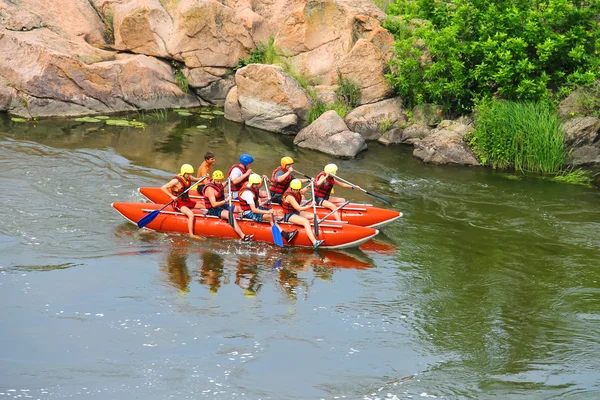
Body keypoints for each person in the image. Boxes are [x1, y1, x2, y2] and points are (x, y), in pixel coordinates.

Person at [238, 174, 298, 243]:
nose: (258, 185)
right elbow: (253, 210)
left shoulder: (250, 184)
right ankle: (285, 235)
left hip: (255, 208)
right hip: (249, 212)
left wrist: (263, 180)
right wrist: (267, 212)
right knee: (269, 216)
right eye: (256, 184)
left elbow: (257, 187)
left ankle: (279, 228)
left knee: (272, 213)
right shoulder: (248, 193)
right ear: (252, 183)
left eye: (258, 183)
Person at [202, 170, 254, 241]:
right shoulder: (209, 189)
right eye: (218, 181)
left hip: (221, 205)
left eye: (221, 181)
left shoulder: (218, 184)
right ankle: (243, 236)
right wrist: (226, 200)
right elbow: (214, 204)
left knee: (239, 209)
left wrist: (227, 181)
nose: (219, 182)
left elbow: (220, 187)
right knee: (230, 215)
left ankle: (252, 217)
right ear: (213, 180)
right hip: (213, 209)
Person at [160, 164, 205, 238]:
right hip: (179, 203)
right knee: (191, 214)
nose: (190, 175)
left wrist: (203, 177)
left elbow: (196, 180)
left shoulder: (189, 177)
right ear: (184, 173)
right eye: (188, 174)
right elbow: (163, 188)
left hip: (187, 201)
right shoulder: (175, 181)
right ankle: (191, 235)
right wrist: (172, 196)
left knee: (202, 206)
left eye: (190, 174)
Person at [282, 179, 324, 248]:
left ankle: (319, 233)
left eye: (297, 189)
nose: (296, 191)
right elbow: (298, 208)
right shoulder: (290, 197)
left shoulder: (297, 191)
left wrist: (310, 184)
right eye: (294, 189)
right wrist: (310, 205)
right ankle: (315, 242)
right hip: (289, 215)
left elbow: (303, 191)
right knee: (305, 221)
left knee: (314, 216)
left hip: (295, 212)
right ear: (291, 188)